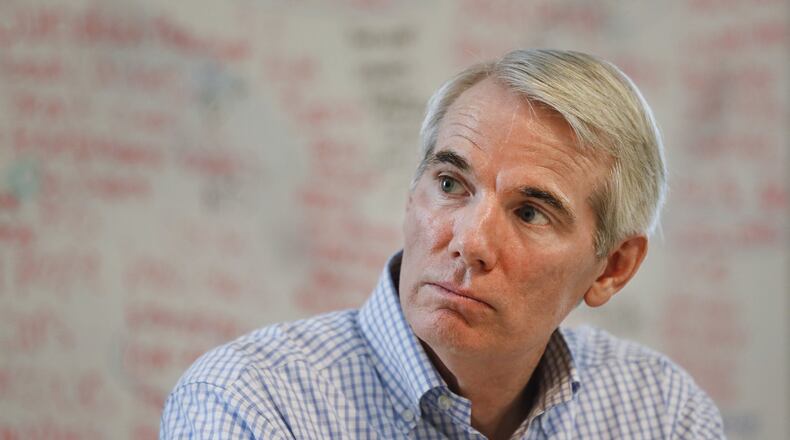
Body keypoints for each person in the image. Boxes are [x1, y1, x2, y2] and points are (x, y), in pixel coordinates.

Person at [160, 49, 724, 439]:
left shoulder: (663, 411)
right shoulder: (252, 404)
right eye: (451, 184)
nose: (470, 242)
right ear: (412, 196)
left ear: (613, 269)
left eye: (530, 212)